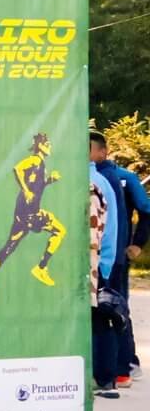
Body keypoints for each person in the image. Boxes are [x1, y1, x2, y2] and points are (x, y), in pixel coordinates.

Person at [57, 157, 122, 411]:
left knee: (74, 366)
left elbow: (90, 244)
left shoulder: (85, 188)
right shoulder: (81, 184)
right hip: (75, 287)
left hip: (76, 290)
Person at [0, 132, 64, 306]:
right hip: (30, 213)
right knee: (60, 231)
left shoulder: (40, 164)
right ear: (40, 145)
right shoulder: (35, 160)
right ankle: (41, 268)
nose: (50, 146)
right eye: (48, 144)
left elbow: (36, 186)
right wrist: (25, 190)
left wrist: (48, 181)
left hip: (24, 212)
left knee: (10, 246)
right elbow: (17, 168)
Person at [91, 133, 148, 389]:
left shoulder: (121, 178)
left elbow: (146, 210)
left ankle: (124, 366)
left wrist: (137, 243)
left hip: (113, 256)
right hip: (105, 255)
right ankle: (117, 366)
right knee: (108, 308)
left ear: (103, 151)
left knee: (114, 308)